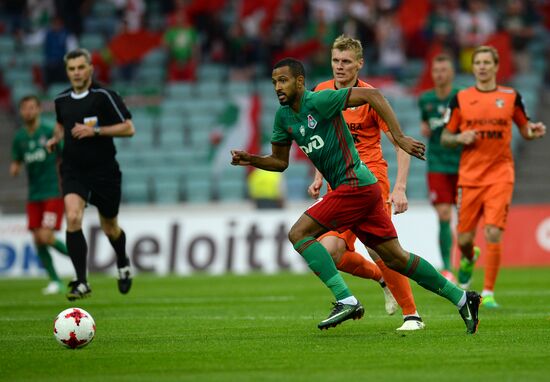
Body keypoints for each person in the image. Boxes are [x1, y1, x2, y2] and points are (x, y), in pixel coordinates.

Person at [231, 57, 481, 334]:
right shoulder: (284, 117)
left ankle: (346, 299)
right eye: (275, 82)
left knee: (299, 233)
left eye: (284, 80)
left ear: (300, 82)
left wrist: (398, 137)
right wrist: (251, 159)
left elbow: (372, 95)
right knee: (397, 258)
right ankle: (462, 298)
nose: (278, 87)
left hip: (354, 185)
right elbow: (280, 162)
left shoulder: (320, 101)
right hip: (362, 189)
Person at [308, 35, 424, 331]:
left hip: (370, 178)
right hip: (339, 182)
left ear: (360, 64)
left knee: (379, 248)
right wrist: (319, 174)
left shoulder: (372, 97)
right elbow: (317, 138)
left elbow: (400, 144)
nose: (340, 66)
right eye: (336, 60)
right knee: (331, 251)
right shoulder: (320, 91)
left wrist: (400, 187)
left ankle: (412, 315)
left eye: (346, 61)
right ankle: (380, 279)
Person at [441, 45, 546, 308]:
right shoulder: (461, 98)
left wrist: (534, 130)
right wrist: (459, 137)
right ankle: (468, 257)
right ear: (473, 67)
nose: (483, 66)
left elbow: (525, 129)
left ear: (496, 66)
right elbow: (445, 136)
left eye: (488, 62)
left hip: (501, 174)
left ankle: (488, 292)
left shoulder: (511, 97)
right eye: (478, 62)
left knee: (493, 232)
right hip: (470, 177)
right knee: (464, 239)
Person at [46, 48, 135, 301]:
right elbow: (61, 124)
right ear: (67, 71)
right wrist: (55, 139)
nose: (76, 73)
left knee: (110, 228)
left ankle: (122, 260)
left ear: (90, 69)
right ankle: (81, 281)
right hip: (73, 170)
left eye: (80, 67)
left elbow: (129, 128)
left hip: (104, 172)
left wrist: (95, 132)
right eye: (72, 69)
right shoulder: (61, 100)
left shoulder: (104, 96)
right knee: (73, 217)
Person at [10, 95, 69, 295]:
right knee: (37, 239)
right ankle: (55, 281)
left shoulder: (49, 131)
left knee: (46, 236)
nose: (28, 111)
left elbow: (65, 155)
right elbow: (17, 161)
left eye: (32, 108)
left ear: (38, 110)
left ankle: (79, 258)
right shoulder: (19, 138)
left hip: (53, 192)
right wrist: (15, 168)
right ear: (20, 112)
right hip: (34, 195)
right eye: (25, 108)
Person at [418, 54, 462, 283]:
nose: (439, 74)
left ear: (451, 73)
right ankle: (447, 268)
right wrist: (425, 128)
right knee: (444, 215)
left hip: (462, 164)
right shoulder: (425, 100)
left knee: (465, 222)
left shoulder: (461, 97)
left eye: (444, 70)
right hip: (437, 165)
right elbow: (425, 123)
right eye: (436, 71)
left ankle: (466, 259)